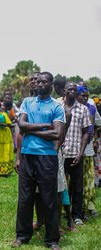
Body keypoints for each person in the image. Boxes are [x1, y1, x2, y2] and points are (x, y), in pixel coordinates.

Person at [13, 72, 64, 249]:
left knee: (48, 199)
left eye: (44, 82)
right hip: (28, 155)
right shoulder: (27, 102)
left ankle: (52, 240)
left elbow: (56, 134)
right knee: (25, 198)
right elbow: (22, 125)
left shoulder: (57, 106)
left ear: (51, 85)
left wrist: (31, 130)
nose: (40, 84)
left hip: (47, 158)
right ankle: (22, 235)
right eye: (38, 82)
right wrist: (44, 126)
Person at [62, 82, 91, 226]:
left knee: (77, 186)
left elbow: (86, 133)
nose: (72, 92)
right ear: (64, 91)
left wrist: (81, 153)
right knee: (60, 185)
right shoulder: (58, 107)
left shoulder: (83, 109)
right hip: (60, 154)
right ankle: (60, 212)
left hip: (76, 154)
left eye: (75, 90)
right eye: (70, 89)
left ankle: (77, 215)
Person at [77, 85, 98, 218]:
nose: (85, 98)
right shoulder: (72, 109)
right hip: (75, 149)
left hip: (88, 148)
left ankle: (89, 205)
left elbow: (96, 126)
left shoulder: (91, 108)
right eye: (82, 95)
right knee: (77, 180)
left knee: (88, 179)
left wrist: (95, 138)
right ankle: (78, 207)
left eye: (86, 96)